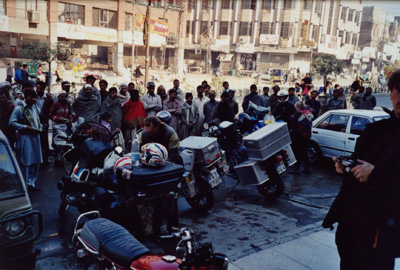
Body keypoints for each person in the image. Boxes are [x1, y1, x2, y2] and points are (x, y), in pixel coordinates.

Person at [322, 69, 400, 270]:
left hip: (382, 231)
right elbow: (359, 163)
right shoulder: (375, 130)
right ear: (391, 93)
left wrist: (375, 174)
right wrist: (347, 166)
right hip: (352, 226)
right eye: (397, 91)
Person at [9, 89, 43, 191]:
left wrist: (40, 127)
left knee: (36, 161)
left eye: (34, 98)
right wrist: (25, 127)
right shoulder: (19, 109)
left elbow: (37, 120)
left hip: (36, 137)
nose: (33, 99)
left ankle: (31, 183)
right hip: (25, 138)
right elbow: (11, 123)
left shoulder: (35, 107)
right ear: (26, 97)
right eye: (31, 97)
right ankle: (24, 185)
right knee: (26, 161)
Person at [289, 101, 314, 174]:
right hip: (308, 133)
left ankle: (296, 168)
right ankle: (307, 168)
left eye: (296, 107)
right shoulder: (309, 111)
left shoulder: (299, 113)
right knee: (304, 152)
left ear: (299, 107)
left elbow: (291, 118)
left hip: (300, 134)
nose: (295, 109)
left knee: (297, 152)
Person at [35, 81, 53, 164]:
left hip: (44, 122)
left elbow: (51, 111)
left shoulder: (49, 98)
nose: (38, 90)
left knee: (44, 141)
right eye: (37, 88)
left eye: (40, 88)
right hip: (34, 121)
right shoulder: (33, 96)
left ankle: (44, 159)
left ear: (43, 89)